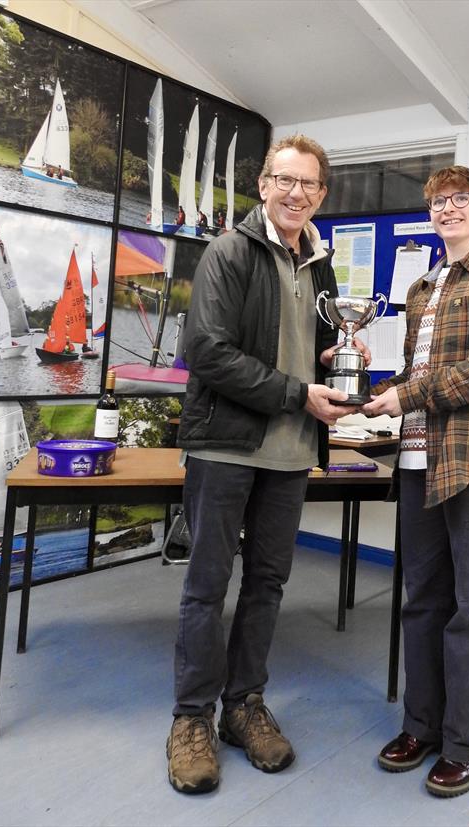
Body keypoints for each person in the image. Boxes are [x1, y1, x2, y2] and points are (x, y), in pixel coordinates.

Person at [168, 134, 367, 795]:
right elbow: (208, 352)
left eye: (309, 184)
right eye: (285, 180)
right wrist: (296, 392)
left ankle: (243, 704)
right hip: (224, 447)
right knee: (206, 585)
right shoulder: (227, 251)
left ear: (321, 195)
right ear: (263, 185)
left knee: (267, 585)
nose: (296, 193)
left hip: (290, 455)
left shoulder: (323, 267)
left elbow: (316, 348)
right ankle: (191, 717)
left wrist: (343, 357)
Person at [363, 166, 469, 797]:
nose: (448, 209)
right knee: (422, 601)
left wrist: (409, 391)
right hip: (417, 462)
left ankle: (466, 743)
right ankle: (422, 725)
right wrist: (362, 390)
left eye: (460, 199)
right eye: (438, 201)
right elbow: (416, 373)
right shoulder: (421, 287)